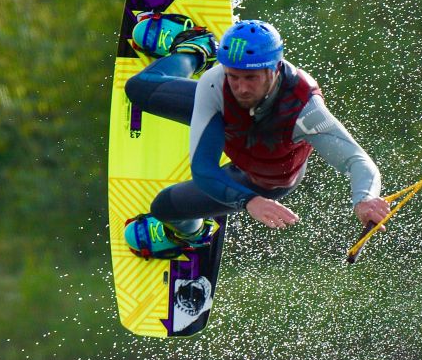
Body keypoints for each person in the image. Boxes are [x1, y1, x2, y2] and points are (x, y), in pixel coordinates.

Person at [123, 14, 389, 259]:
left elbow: (357, 160)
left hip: (263, 177)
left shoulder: (305, 111)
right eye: (234, 76)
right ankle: (196, 47)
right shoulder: (217, 82)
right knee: (137, 89)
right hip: (230, 130)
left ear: (273, 69)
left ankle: (189, 233)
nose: (241, 88)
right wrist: (247, 202)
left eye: (251, 77)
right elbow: (203, 169)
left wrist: (364, 199)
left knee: (163, 207)